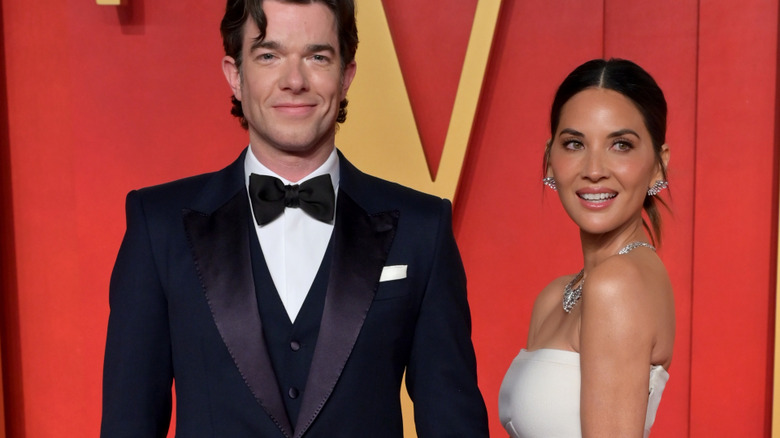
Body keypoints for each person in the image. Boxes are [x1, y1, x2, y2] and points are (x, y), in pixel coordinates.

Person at [100, 0, 489, 436]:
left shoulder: (422, 227)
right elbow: (127, 424)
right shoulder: (159, 225)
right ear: (235, 75)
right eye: (269, 55)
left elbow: (454, 423)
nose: (294, 81)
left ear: (346, 76)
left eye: (317, 56)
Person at [498, 58, 675, 437]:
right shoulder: (556, 297)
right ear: (549, 160)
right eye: (575, 143)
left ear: (658, 167)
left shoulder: (618, 285)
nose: (594, 169)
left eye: (621, 145)